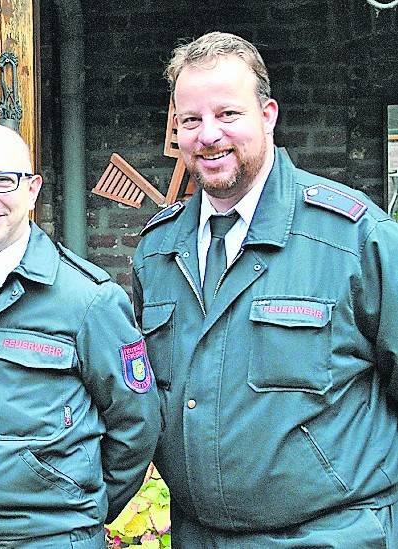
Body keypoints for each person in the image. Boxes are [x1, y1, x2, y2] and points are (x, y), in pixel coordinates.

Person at [133, 31, 398, 547]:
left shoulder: (355, 239)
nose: (208, 135)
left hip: (332, 534)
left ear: (268, 115)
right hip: (198, 536)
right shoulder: (157, 252)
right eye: (191, 120)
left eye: (227, 114)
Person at [0, 123, 160, 548]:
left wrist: (79, 510)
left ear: (32, 189)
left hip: (50, 537)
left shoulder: (88, 300)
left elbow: (135, 422)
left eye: (3, 180)